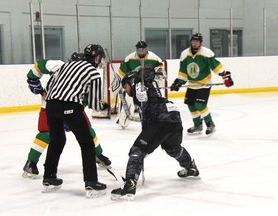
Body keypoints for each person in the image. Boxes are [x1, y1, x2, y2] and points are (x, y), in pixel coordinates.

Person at [111, 65, 199, 201]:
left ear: (130, 82)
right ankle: (191, 167)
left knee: (137, 150)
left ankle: (130, 184)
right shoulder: (145, 91)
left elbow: (147, 71)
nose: (125, 90)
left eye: (125, 86)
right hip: (174, 119)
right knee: (173, 149)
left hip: (161, 120)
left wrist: (139, 83)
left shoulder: (141, 85)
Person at [31, 44, 108, 197]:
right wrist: (103, 105)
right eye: (100, 58)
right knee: (87, 143)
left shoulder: (66, 66)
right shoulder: (93, 73)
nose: (100, 61)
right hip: (70, 106)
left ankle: (49, 178)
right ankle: (91, 183)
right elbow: (94, 105)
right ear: (96, 57)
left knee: (56, 141)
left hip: (50, 106)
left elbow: (51, 85)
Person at [170, 33, 234, 135]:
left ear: (200, 43)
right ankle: (197, 125)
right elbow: (183, 71)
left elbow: (215, 66)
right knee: (190, 105)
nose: (195, 44)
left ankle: (210, 124)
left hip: (204, 84)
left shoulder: (207, 53)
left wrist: (224, 75)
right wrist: (178, 82)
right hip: (192, 84)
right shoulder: (184, 54)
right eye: (193, 41)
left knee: (199, 105)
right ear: (191, 41)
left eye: (197, 42)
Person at [116, 41, 166, 129]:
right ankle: (122, 121)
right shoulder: (129, 58)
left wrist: (159, 71)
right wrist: (126, 83)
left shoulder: (154, 58)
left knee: (151, 102)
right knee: (128, 100)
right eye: (139, 50)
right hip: (133, 85)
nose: (141, 51)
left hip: (148, 85)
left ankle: (153, 120)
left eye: (143, 50)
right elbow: (121, 72)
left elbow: (161, 69)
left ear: (146, 49)